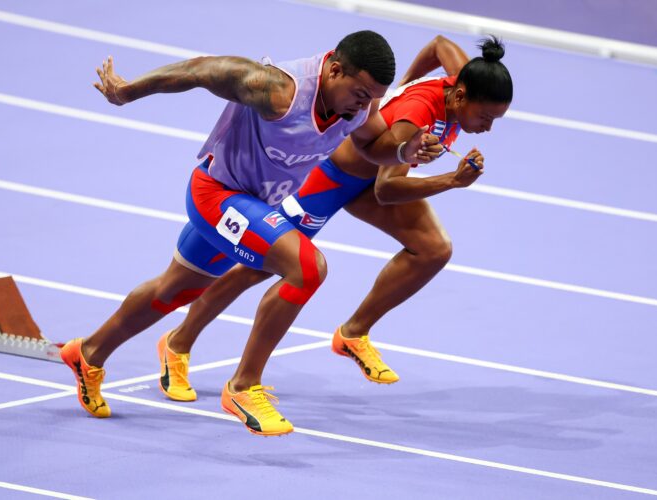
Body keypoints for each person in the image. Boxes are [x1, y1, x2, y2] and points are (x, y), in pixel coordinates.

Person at [59, 30, 443, 436]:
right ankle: (243, 386)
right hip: (217, 194)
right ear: (333, 70)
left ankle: (87, 352)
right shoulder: (278, 90)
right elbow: (200, 69)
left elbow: (371, 146)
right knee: (307, 268)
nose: (365, 105)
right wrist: (128, 91)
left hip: (256, 204)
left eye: (372, 98)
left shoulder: (356, 108)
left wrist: (403, 152)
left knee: (173, 291)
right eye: (361, 93)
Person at [156, 36, 513, 402]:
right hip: (327, 181)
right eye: (485, 117)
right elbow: (387, 190)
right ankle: (178, 342)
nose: (487, 127)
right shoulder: (418, 117)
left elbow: (439, 44)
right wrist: (451, 179)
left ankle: (353, 333)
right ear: (459, 96)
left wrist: (395, 91)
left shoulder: (462, 78)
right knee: (259, 267)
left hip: (366, 180)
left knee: (434, 248)